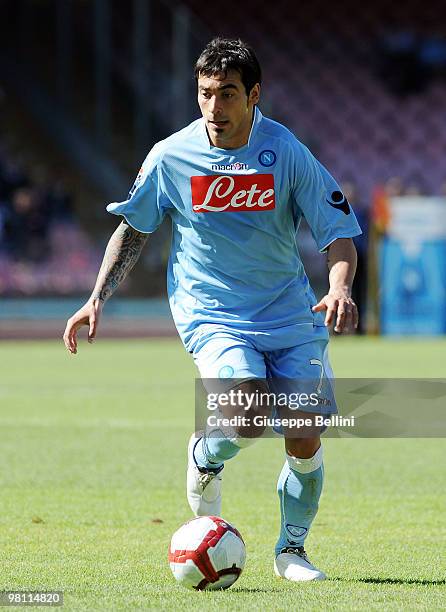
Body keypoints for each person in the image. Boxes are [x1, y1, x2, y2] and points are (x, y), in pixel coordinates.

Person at [63, 38, 361, 582]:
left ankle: (291, 552)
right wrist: (95, 298)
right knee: (246, 417)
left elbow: (339, 233)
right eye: (205, 94)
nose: (215, 108)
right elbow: (133, 229)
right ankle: (206, 450)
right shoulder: (171, 156)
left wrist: (339, 286)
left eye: (227, 94)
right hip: (213, 311)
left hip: (289, 313)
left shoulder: (286, 151)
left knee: (304, 432)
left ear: (253, 94)